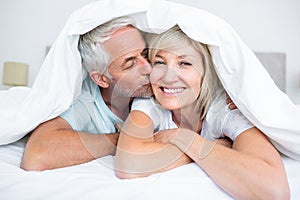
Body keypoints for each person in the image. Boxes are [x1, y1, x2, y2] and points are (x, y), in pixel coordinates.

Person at [114, 25, 290, 199]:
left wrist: (185, 139)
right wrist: (217, 147)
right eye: (159, 62)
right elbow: (128, 164)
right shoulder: (150, 102)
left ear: (205, 73)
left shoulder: (225, 109)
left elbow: (274, 192)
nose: (168, 78)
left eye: (184, 63)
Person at [20, 16, 154, 171]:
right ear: (102, 79)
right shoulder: (84, 99)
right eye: (130, 63)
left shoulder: (159, 82)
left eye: (145, 54)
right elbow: (36, 155)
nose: (149, 69)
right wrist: (127, 141)